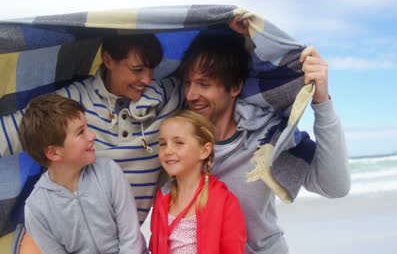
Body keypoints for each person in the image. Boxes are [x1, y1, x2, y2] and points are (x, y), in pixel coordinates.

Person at [177, 23, 351, 253]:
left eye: (204, 84)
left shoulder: (268, 136)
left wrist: (322, 102)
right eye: (188, 83)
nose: (191, 94)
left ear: (235, 87)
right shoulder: (174, 143)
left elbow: (335, 186)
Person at [19, 94, 145, 253]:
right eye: (80, 132)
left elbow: (131, 240)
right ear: (54, 153)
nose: (92, 135)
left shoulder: (109, 172)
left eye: (87, 127)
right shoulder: (36, 208)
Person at [149, 110, 247, 254]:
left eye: (178, 143)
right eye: (163, 144)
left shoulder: (225, 202)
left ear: (204, 151)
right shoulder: (162, 199)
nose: (168, 150)